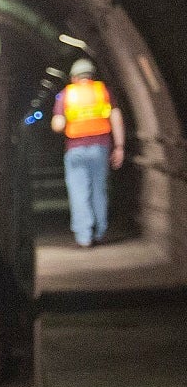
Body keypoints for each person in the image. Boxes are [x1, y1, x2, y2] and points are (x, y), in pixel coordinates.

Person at [53, 57, 125, 248]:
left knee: (79, 192)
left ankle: (84, 237)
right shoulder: (103, 92)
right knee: (98, 190)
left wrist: (66, 124)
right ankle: (100, 231)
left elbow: (58, 124)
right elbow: (116, 117)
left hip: (75, 150)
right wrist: (120, 147)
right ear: (92, 75)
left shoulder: (66, 95)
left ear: (74, 77)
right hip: (100, 147)